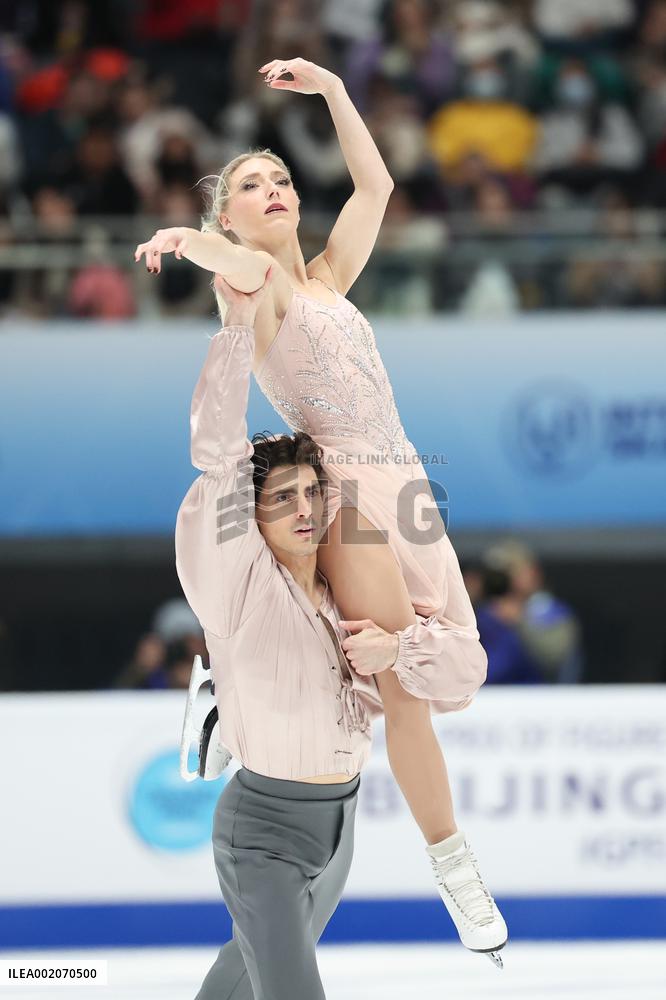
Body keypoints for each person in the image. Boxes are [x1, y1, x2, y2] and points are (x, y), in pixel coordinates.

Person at [137, 56, 507, 963]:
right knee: (397, 681)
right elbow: (236, 266)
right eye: (251, 185)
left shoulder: (331, 280)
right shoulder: (249, 290)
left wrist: (336, 91)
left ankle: (229, 690)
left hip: (405, 483)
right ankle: (455, 867)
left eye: (282, 180)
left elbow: (377, 183)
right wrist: (193, 240)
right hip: (345, 498)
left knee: (441, 657)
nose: (272, 190)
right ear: (231, 215)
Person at [175, 272, 504, 997]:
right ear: (249, 516)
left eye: (312, 493)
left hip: (338, 825)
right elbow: (220, 457)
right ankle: (228, 700)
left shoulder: (343, 596)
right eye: (281, 498)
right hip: (261, 828)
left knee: (237, 979)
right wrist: (234, 326)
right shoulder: (234, 575)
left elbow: (462, 673)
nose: (303, 509)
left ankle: (227, 702)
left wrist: (399, 650)